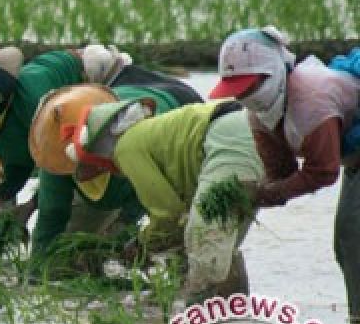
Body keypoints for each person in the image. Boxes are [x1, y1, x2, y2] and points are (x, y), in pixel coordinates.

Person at [41, 87, 264, 301]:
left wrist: (141, 245)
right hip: (252, 131)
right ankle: (235, 316)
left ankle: (193, 321)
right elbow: (178, 215)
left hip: (229, 143)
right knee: (224, 247)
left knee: (205, 248)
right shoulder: (152, 134)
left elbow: (167, 214)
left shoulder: (127, 146)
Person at [210, 28, 360, 324]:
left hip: (350, 157)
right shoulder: (259, 112)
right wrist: (250, 193)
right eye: (237, 91)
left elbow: (323, 171)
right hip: (354, 157)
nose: (243, 97)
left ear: (274, 73)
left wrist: (270, 194)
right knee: (345, 242)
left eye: (249, 87)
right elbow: (281, 172)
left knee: (351, 233)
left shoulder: (311, 100)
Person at [0, 44, 135, 223]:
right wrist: (2, 193)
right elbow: (20, 160)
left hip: (97, 74)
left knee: (97, 178)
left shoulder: (34, 105)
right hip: (63, 98)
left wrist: (32, 205)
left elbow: (63, 163)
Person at [27, 77, 204, 272]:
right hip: (120, 113)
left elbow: (161, 205)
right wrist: (37, 269)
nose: (82, 175)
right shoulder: (54, 156)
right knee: (75, 255)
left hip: (177, 113)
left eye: (84, 165)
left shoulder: (130, 142)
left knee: (187, 237)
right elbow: (51, 214)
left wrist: (123, 234)